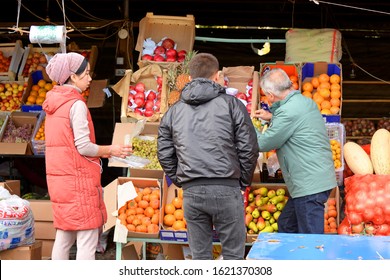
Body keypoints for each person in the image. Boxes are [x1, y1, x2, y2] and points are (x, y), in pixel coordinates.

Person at [157, 53, 259, 260]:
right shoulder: (232, 105)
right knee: (233, 257)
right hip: (227, 188)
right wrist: (242, 181)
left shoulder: (174, 111)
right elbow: (249, 147)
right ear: (217, 76)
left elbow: (164, 151)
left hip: (193, 192)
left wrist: (181, 179)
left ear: (190, 77)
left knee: (200, 258)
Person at [43, 52, 132, 260]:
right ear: (73, 76)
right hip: (78, 181)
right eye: (87, 73)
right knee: (88, 237)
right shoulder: (76, 105)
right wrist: (111, 149)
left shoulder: (52, 104)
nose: (90, 78)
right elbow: (83, 147)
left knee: (64, 236)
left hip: (61, 181)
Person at [253, 68, 337, 234]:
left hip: (309, 184)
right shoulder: (304, 101)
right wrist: (271, 116)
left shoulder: (287, 111)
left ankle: (310, 260)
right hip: (315, 179)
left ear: (270, 95)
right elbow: (295, 119)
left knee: (311, 240)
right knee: (287, 225)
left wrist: (247, 126)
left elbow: (263, 143)